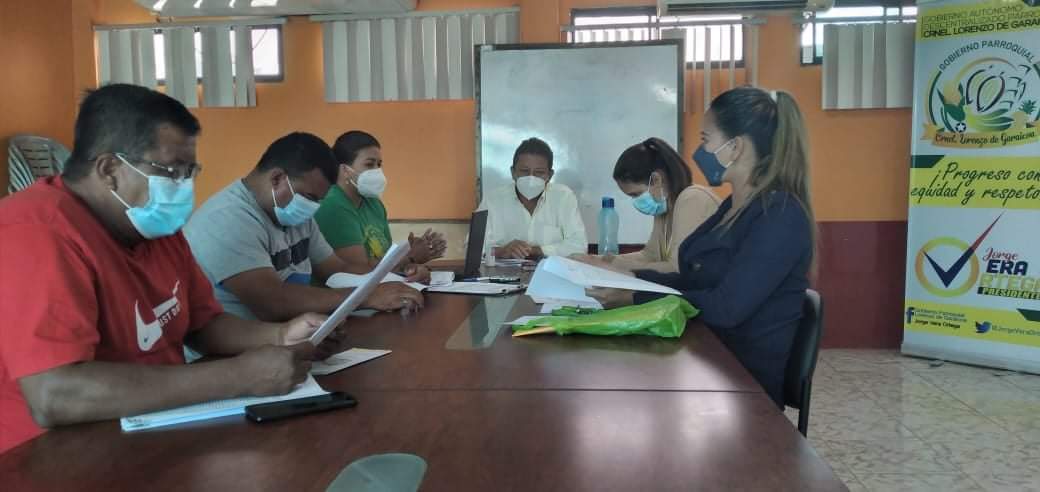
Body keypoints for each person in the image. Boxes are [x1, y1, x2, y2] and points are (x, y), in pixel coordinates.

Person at [0, 84, 350, 453]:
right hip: (51, 455)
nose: (184, 187)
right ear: (109, 169)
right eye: (172, 171)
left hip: (155, 429)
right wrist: (236, 376)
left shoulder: (153, 227)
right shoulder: (36, 233)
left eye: (190, 171)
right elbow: (54, 395)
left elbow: (202, 325)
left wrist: (282, 336)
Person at [588, 88, 815, 408]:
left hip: (742, 385)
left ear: (735, 147)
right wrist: (631, 280)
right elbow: (693, 279)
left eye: (706, 139)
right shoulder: (733, 207)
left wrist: (636, 297)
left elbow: (726, 307)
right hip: (706, 357)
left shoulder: (780, 216)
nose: (700, 151)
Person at [183, 132, 423, 322]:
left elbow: (336, 269)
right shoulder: (227, 219)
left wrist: (401, 279)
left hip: (292, 338)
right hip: (234, 356)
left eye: (319, 199)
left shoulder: (295, 213)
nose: (313, 207)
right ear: (277, 178)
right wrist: (366, 297)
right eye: (309, 197)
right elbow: (271, 301)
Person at [313, 131, 447, 283]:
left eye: (379, 164)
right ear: (344, 170)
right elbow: (358, 272)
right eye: (369, 164)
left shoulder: (373, 203)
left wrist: (411, 261)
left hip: (381, 288)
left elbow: (385, 259)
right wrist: (410, 256)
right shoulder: (333, 206)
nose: (377, 171)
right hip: (346, 294)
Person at [575, 137, 719, 273]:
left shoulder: (692, 198)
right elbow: (649, 256)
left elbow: (676, 268)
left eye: (636, 194)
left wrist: (613, 265)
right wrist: (596, 260)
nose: (635, 201)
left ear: (656, 180)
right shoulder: (664, 208)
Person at [479, 137, 587, 259]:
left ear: (550, 175)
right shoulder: (493, 200)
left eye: (539, 172)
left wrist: (537, 250)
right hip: (505, 271)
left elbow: (579, 245)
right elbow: (473, 248)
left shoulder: (563, 197)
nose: (531, 178)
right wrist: (503, 251)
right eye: (524, 171)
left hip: (551, 270)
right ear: (513, 172)